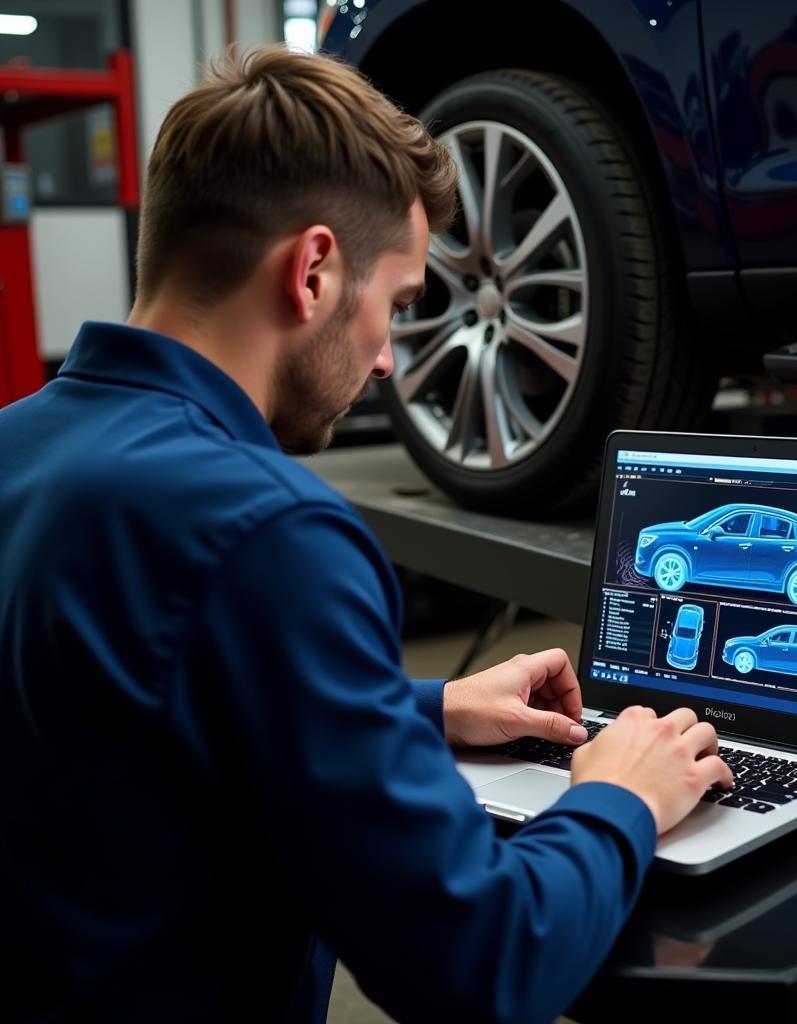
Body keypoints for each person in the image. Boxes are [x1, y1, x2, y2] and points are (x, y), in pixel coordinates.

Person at [0, 47, 732, 1024]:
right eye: (394, 305)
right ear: (311, 271)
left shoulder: (18, 446)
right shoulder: (270, 531)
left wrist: (411, 706)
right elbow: (483, 963)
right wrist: (619, 797)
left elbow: (111, 710)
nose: (390, 359)